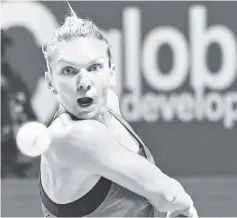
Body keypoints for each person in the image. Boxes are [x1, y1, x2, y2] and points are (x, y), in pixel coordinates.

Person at [40, 5, 198, 217]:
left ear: (111, 73)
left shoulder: (110, 104)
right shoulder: (74, 137)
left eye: (94, 67)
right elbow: (167, 195)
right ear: (51, 82)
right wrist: (184, 206)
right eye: (69, 70)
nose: (84, 82)